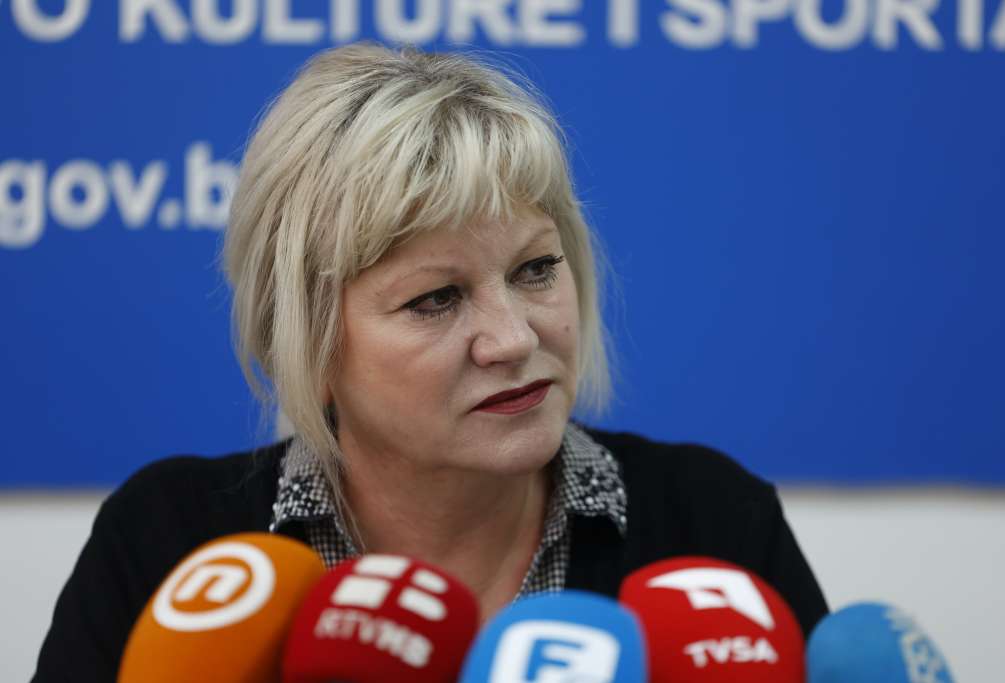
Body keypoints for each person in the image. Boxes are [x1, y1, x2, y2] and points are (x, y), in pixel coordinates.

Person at [33, 43, 827, 680]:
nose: (512, 338)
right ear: (308, 338)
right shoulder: (171, 544)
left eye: (535, 269)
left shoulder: (714, 527)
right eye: (436, 298)